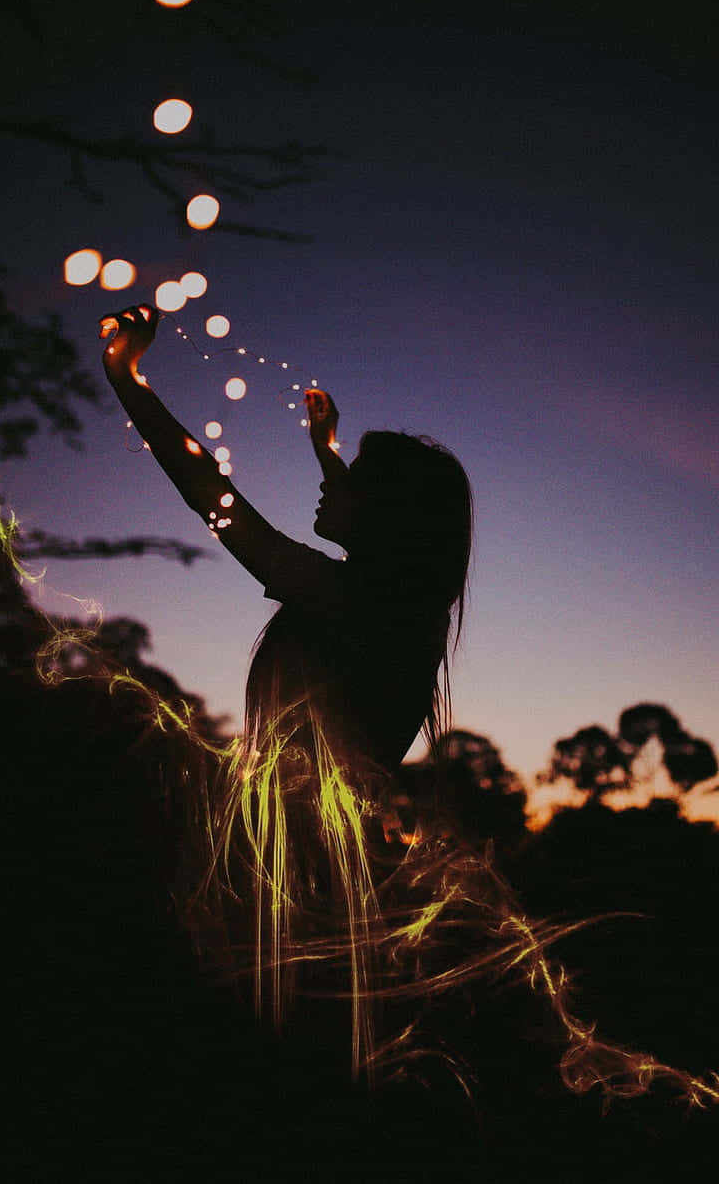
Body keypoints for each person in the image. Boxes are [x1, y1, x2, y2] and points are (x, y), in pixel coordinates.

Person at [98, 301, 473, 1067]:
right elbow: (372, 539)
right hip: (329, 859)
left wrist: (127, 380)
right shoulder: (404, 608)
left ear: (388, 517)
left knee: (258, 1051)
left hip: (294, 871)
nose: (330, 489)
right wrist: (328, 452)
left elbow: (215, 500)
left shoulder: (344, 601)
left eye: (351, 482)